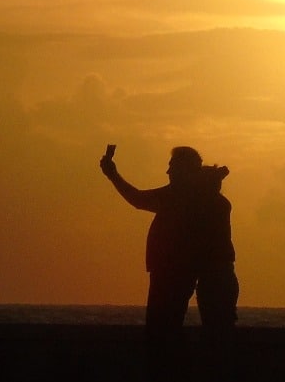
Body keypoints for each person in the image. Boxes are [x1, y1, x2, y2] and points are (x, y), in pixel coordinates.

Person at [99, 145, 238, 347]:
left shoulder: (181, 197)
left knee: (162, 331)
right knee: (216, 334)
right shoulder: (215, 201)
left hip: (174, 272)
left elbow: (138, 199)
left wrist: (113, 176)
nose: (168, 172)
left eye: (172, 166)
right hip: (200, 274)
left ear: (185, 171)